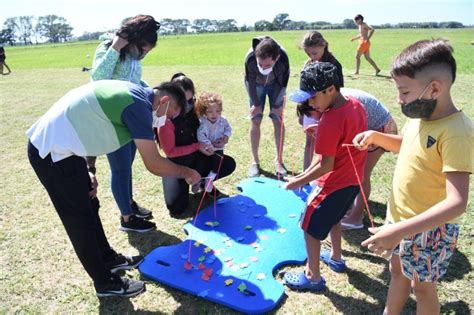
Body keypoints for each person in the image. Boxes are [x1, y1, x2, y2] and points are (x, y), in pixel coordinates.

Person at [27, 80, 201, 298]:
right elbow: (153, 163)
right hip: (52, 154)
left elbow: (90, 122)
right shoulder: (138, 106)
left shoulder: (137, 95)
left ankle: (109, 260)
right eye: (170, 115)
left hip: (66, 151)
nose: (167, 121)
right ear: (163, 101)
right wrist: (187, 172)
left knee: (91, 205)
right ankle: (104, 282)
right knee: (80, 219)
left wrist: (90, 168)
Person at [353, 39, 472, 314]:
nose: (399, 99)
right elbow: (407, 145)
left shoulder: (457, 132)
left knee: (422, 288)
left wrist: (399, 230)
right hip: (399, 219)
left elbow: (457, 202)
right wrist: (378, 137)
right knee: (397, 274)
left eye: (404, 91)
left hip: (429, 229)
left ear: (434, 89)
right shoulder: (419, 117)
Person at [282, 62, 367, 291]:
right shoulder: (356, 105)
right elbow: (326, 157)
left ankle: (313, 277)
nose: (310, 103)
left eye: (312, 97)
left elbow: (326, 165)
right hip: (353, 182)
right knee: (335, 217)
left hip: (332, 185)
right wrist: (303, 174)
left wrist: (296, 182)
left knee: (309, 227)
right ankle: (336, 258)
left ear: (330, 89)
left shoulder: (329, 119)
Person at [90, 15, 160, 232]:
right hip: (112, 120)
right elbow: (98, 78)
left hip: (130, 117)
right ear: (133, 41)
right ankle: (127, 219)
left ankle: (128, 204)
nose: (144, 55)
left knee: (126, 167)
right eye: (143, 50)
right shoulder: (108, 48)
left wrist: (151, 91)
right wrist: (116, 47)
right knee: (119, 170)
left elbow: (133, 82)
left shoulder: (134, 59)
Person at [298, 88, 398, 229]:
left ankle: (356, 218)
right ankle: (348, 208)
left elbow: (330, 157)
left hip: (378, 127)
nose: (315, 120)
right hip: (362, 126)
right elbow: (323, 153)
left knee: (361, 173)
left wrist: (304, 178)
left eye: (315, 117)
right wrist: (306, 174)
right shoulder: (323, 103)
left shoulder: (339, 108)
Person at [157, 73, 236, 216]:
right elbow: (170, 152)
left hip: (197, 160)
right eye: (183, 101)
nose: (187, 106)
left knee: (227, 163)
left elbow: (214, 123)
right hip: (176, 165)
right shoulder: (165, 120)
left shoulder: (197, 112)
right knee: (176, 208)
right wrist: (197, 146)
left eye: (191, 100)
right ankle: (191, 182)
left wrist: (220, 139)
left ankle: (203, 183)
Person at [298, 31, 344, 170]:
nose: (312, 57)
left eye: (315, 53)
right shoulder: (308, 64)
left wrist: (331, 115)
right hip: (311, 109)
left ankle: (321, 175)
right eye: (308, 54)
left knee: (325, 145)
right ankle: (305, 175)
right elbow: (303, 92)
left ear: (323, 45)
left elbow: (338, 92)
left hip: (328, 110)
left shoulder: (334, 65)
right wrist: (301, 112)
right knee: (309, 142)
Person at [244, 36, 290, 177]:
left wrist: (277, 105)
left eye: (268, 65)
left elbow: (283, 84)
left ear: (276, 58)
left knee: (277, 120)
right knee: (255, 120)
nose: (263, 68)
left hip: (276, 85)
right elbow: (249, 82)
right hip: (256, 85)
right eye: (261, 64)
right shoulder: (251, 58)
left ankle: (279, 161)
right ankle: (255, 162)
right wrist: (256, 104)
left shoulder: (283, 59)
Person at [195, 92, 232, 192]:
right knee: (202, 163)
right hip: (206, 149)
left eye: (217, 111)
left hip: (218, 148)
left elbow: (228, 129)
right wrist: (210, 145)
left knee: (218, 161)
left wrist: (226, 137)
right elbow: (200, 135)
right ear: (204, 112)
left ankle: (210, 179)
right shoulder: (203, 122)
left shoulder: (223, 120)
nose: (214, 114)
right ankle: (197, 181)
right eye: (210, 111)